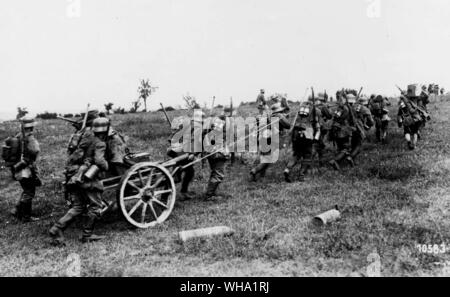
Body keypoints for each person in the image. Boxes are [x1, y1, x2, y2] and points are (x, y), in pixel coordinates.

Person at [49, 117, 111, 245]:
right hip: (87, 177)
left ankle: (57, 229)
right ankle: (87, 235)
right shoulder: (100, 143)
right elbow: (99, 161)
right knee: (96, 206)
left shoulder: (84, 136)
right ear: (105, 129)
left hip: (74, 175)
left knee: (78, 206)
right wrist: (106, 166)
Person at [7, 116, 41, 222]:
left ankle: (17, 210)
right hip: (26, 168)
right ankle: (26, 216)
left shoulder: (18, 136)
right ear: (31, 127)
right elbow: (35, 150)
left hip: (17, 167)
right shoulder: (29, 138)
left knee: (26, 190)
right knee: (29, 192)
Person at [283, 102, 321, 182]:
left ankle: (287, 169)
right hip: (307, 136)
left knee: (296, 155)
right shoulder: (315, 112)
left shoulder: (299, 113)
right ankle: (301, 175)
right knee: (307, 155)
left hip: (296, 136)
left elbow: (293, 126)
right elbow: (318, 128)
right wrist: (316, 138)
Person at [347, 95, 374, 166]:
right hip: (359, 127)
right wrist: (368, 125)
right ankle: (350, 157)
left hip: (351, 127)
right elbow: (371, 121)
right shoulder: (365, 109)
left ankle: (353, 161)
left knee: (353, 144)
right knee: (359, 144)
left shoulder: (352, 107)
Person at [328, 97, 353, 171]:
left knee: (341, 148)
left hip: (336, 130)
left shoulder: (338, 109)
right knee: (346, 148)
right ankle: (335, 160)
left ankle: (342, 164)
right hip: (343, 131)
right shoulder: (345, 109)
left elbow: (335, 117)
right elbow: (343, 119)